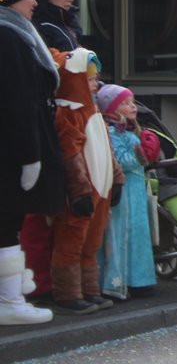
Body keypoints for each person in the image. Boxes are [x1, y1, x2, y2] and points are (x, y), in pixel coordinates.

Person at [0, 0, 62, 325]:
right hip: (10, 151)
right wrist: (30, 156)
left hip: (11, 146)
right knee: (7, 222)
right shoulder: (9, 36)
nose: (35, 2)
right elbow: (17, 101)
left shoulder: (12, 32)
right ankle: (9, 300)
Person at [50, 47, 124, 314]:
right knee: (71, 240)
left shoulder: (91, 111)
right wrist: (79, 190)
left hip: (100, 185)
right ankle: (69, 293)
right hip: (84, 189)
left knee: (91, 241)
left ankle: (90, 289)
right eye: (91, 79)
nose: (96, 84)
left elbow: (107, 148)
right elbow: (70, 154)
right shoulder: (69, 113)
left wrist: (117, 178)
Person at [95, 85, 157, 300]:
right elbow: (119, 160)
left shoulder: (130, 130)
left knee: (138, 233)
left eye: (133, 102)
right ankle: (118, 280)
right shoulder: (112, 132)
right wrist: (142, 154)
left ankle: (139, 278)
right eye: (126, 103)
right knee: (121, 234)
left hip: (136, 192)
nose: (133, 106)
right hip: (123, 192)